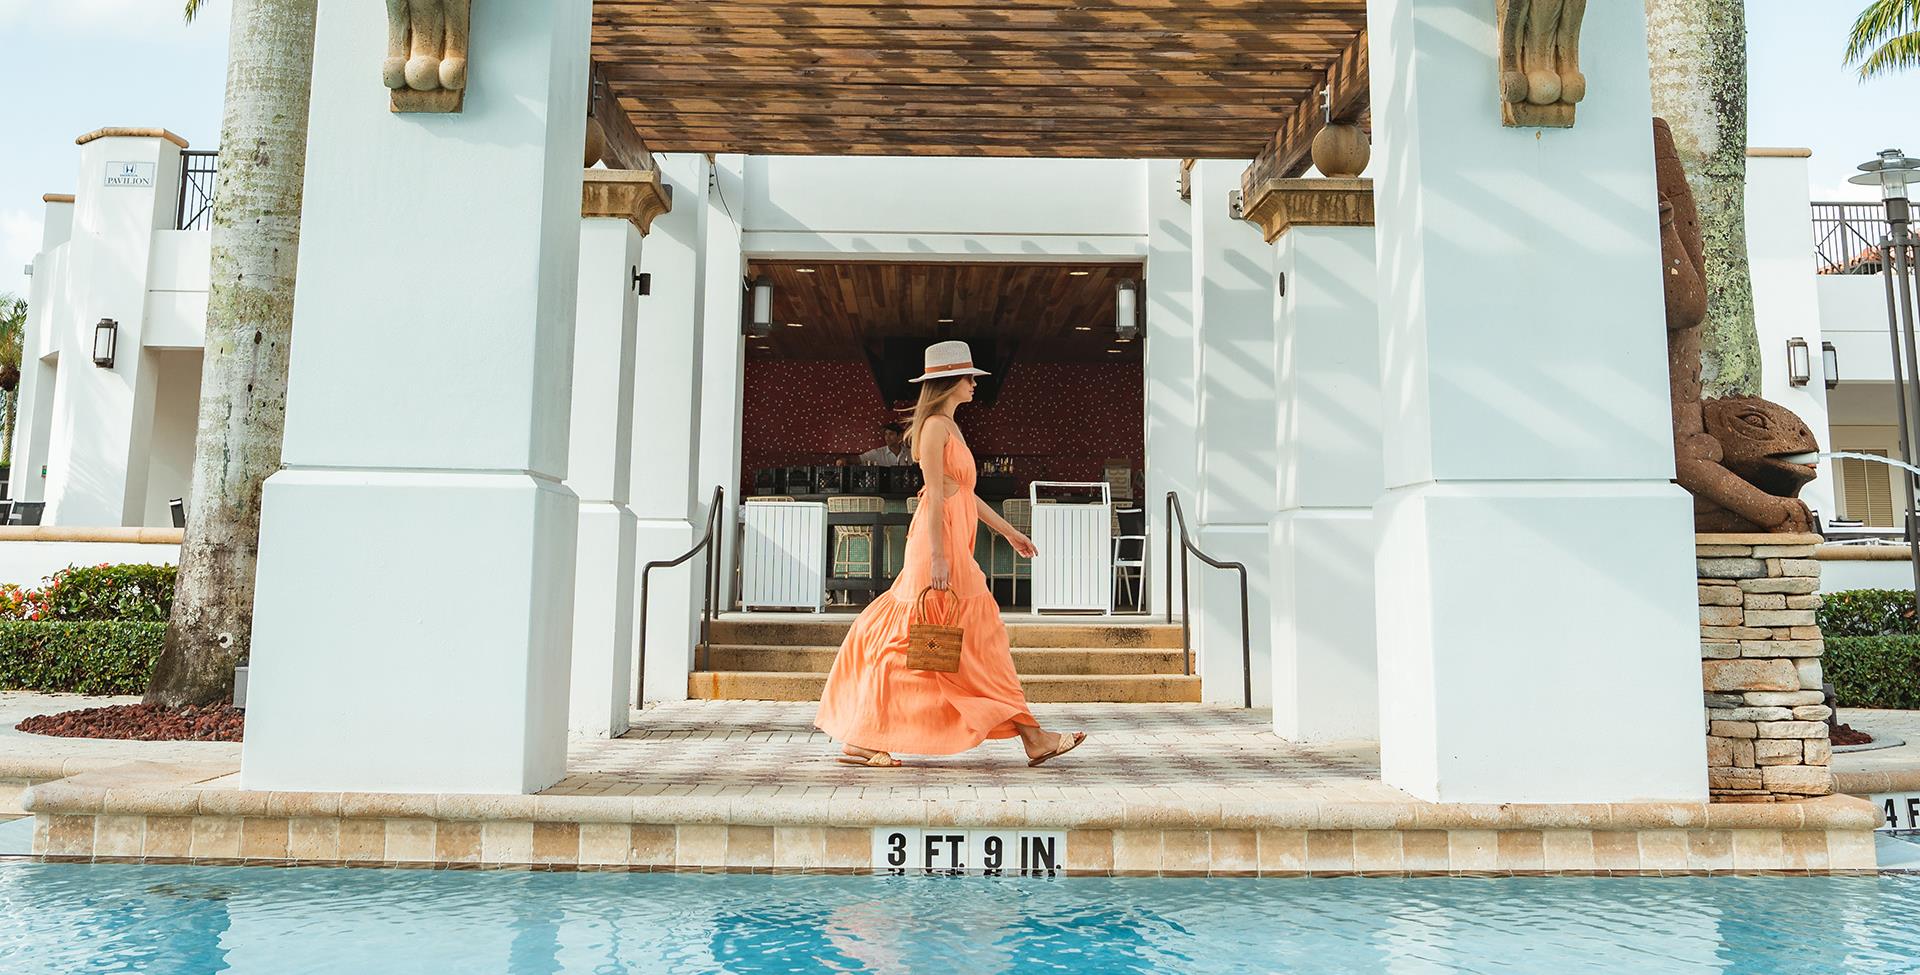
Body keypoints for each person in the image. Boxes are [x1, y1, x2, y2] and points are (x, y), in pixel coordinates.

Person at [815, 340, 1087, 769]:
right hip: (935, 544)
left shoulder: (952, 426)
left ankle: (1031, 735)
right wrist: (940, 557)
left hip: (952, 543)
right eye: (968, 378)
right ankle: (862, 735)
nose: (974, 385)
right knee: (924, 640)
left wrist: (1010, 531)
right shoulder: (935, 428)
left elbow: (965, 493)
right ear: (947, 384)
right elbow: (936, 496)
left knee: (970, 638)